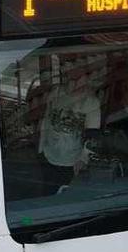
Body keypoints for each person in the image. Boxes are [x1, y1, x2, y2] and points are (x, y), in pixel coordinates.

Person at [38, 64, 101, 194]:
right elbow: (46, 121)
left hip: (73, 162)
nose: (76, 82)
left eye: (79, 78)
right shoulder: (55, 93)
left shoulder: (91, 102)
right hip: (49, 156)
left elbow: (93, 134)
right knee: (47, 195)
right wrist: (40, 149)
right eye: (72, 78)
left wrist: (83, 159)